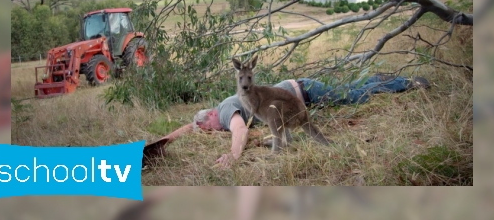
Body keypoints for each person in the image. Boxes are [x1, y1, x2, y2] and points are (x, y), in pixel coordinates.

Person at [146, 74, 430, 168]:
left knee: (355, 97)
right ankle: (379, 79)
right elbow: (190, 126)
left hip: (305, 92)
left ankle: (404, 82)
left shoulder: (224, 112)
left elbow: (239, 130)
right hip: (301, 95)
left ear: (210, 116)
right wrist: (166, 140)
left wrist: (233, 155)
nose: (211, 132)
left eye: (207, 128)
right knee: (350, 92)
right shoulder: (221, 109)